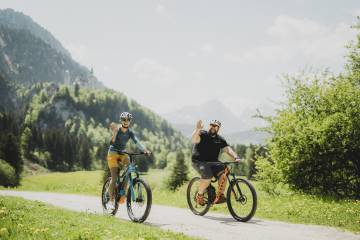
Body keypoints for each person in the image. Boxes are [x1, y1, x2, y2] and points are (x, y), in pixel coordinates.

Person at [106, 111, 151, 209]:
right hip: (112, 153)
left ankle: (122, 193)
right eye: (123, 119)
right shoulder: (117, 129)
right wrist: (114, 133)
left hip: (122, 153)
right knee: (114, 178)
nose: (126, 121)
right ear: (121, 120)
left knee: (130, 168)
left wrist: (145, 150)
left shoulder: (130, 132)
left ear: (130, 121)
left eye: (128, 119)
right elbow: (111, 142)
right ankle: (110, 201)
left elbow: (137, 141)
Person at [191, 119, 242, 205]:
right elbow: (194, 139)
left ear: (218, 128)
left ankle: (220, 195)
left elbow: (228, 149)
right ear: (209, 126)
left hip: (213, 163)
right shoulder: (203, 134)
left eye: (215, 126)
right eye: (211, 125)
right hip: (199, 161)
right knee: (208, 176)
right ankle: (199, 196)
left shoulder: (220, 139)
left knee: (224, 172)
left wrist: (235, 156)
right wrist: (197, 129)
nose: (213, 127)